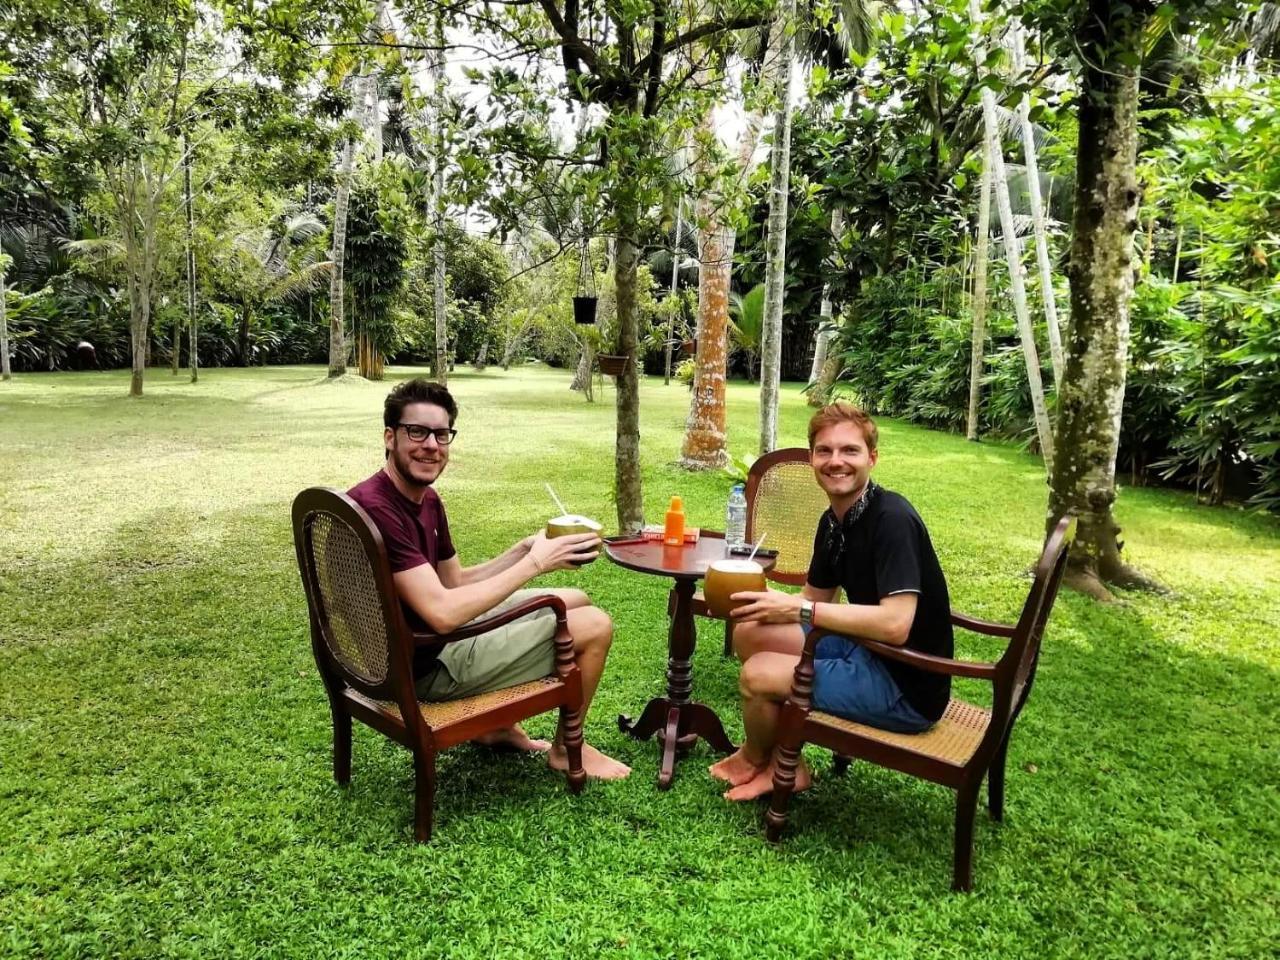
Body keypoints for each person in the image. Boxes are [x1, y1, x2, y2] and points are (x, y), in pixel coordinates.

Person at [348, 377, 630, 780]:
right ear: (389, 437)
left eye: (441, 434)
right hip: (423, 666)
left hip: (419, 640)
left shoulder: (421, 499)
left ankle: (495, 728)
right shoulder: (381, 510)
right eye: (417, 431)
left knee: (575, 598)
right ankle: (568, 750)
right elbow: (444, 613)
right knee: (594, 626)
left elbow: (454, 582)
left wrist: (522, 549)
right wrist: (535, 565)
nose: (431, 444)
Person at [709, 402, 953, 801]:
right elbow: (813, 600)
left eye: (850, 451)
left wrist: (798, 609)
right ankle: (790, 762)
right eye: (824, 451)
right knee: (751, 632)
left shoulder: (893, 519)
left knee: (758, 674)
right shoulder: (834, 522)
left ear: (872, 458)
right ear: (811, 459)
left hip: (906, 684)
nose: (835, 461)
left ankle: (760, 759)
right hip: (866, 651)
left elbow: (896, 625)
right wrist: (770, 600)